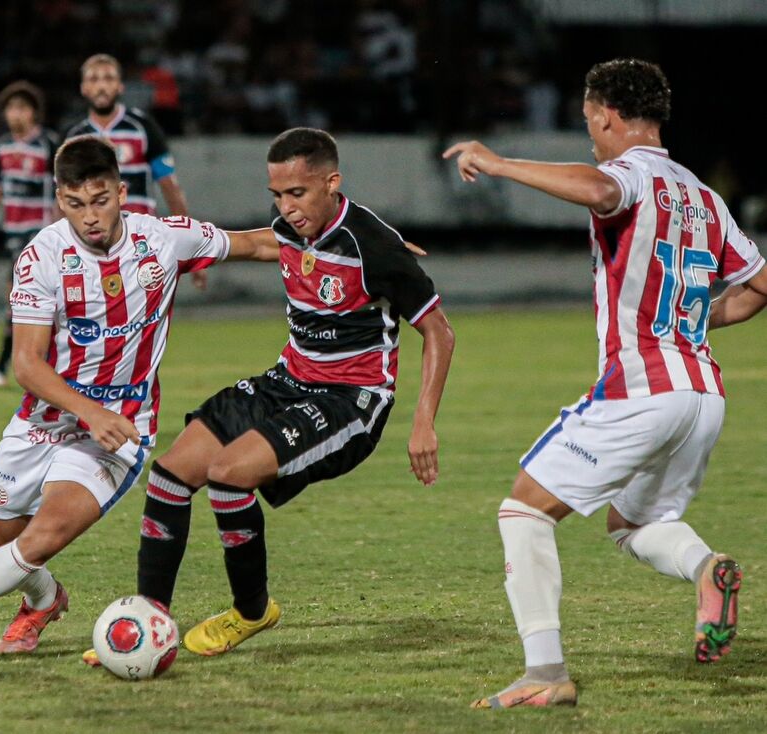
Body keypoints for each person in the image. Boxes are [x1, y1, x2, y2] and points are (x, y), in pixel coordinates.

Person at [0, 136, 282, 655]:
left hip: (120, 430)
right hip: (45, 419)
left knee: (38, 539)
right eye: (77, 203)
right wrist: (87, 410)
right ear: (60, 200)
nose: (90, 216)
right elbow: (26, 364)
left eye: (101, 199)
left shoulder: (164, 240)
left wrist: (360, 245)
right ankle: (43, 601)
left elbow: (260, 243)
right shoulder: (42, 257)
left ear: (122, 192)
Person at [442, 58, 761, 710]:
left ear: (607, 115)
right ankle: (707, 569)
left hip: (643, 386)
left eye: (590, 121)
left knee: (524, 510)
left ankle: (546, 671)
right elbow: (759, 285)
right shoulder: (705, 196)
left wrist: (500, 164)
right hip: (701, 394)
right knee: (636, 520)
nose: (591, 134)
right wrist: (692, 321)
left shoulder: (629, 174)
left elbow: (599, 190)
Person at [82, 127, 454, 666]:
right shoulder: (291, 227)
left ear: (332, 183)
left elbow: (440, 331)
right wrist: (169, 245)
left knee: (230, 473)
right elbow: (260, 241)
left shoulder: (375, 248)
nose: (286, 207)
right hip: (288, 379)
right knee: (171, 472)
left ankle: (251, 611)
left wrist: (424, 422)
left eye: (297, 194)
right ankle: (147, 620)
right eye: (277, 195)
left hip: (350, 400)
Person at [64, 54, 203, 293]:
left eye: (108, 78)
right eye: (94, 79)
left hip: (141, 241)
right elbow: (65, 198)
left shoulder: (143, 127)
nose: (101, 85)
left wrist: (193, 247)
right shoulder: (74, 137)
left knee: (144, 321)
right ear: (84, 88)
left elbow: (170, 187)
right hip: (93, 242)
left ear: (120, 86)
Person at [0, 81, 60, 389]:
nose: (16, 114)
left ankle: (4, 369)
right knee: (31, 303)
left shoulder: (48, 144)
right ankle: (31, 368)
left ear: (34, 113)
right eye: (11, 108)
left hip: (39, 235)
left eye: (22, 108)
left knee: (18, 299)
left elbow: (62, 189)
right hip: (14, 235)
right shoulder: (3, 146)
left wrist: (60, 227)